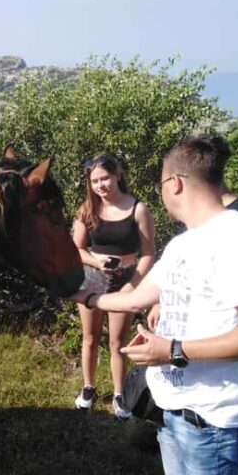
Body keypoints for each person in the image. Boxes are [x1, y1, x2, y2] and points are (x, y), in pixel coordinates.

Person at [74, 135, 238, 475]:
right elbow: (138, 297)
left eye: (161, 185)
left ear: (174, 183)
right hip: (173, 409)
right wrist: (86, 296)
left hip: (211, 418)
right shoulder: (186, 242)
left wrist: (172, 350)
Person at [72, 154, 155, 418]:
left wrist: (133, 285)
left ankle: (120, 394)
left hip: (125, 281)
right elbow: (76, 249)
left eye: (105, 178)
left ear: (117, 175)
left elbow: (149, 254)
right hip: (91, 279)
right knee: (90, 337)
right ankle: (88, 388)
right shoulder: (87, 209)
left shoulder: (138, 209)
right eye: (95, 181)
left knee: (117, 342)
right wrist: (97, 262)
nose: (101, 185)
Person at [147, 181, 238, 330]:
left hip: (215, 329)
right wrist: (160, 302)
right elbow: (180, 264)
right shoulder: (197, 213)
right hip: (187, 324)